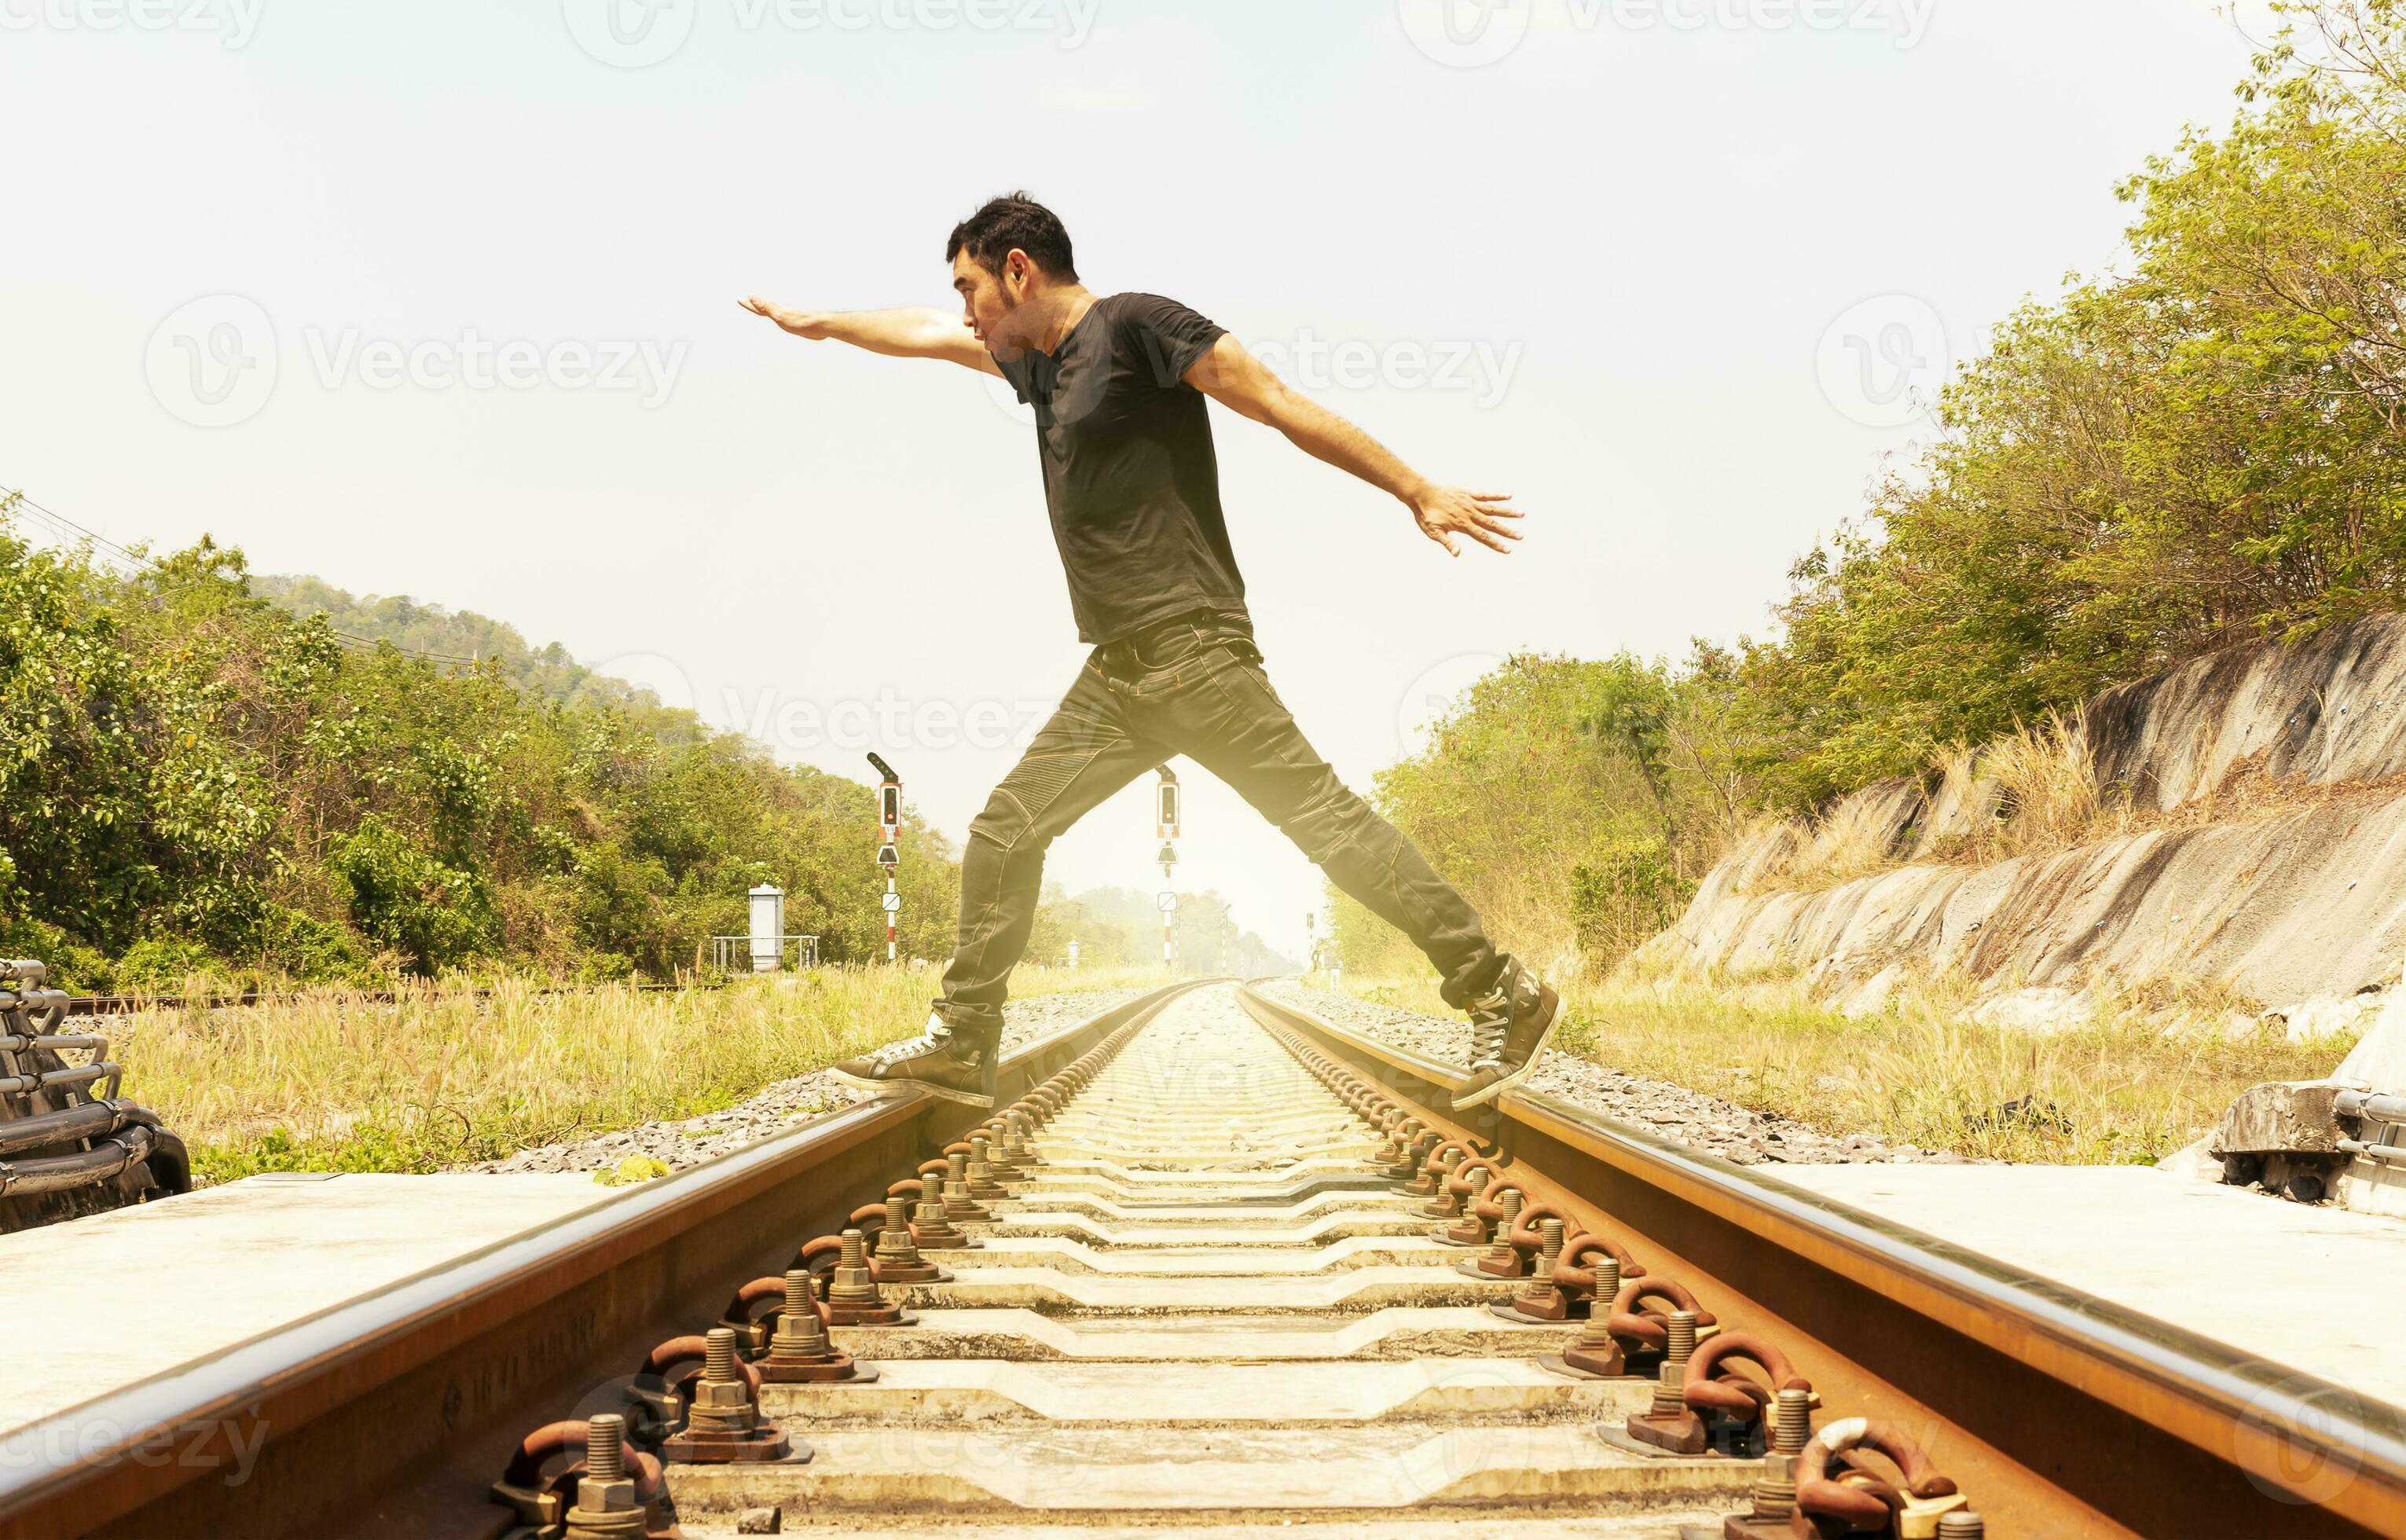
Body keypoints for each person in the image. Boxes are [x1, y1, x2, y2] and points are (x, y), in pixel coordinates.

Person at [741, 192, 1557, 1113]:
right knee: (1004, 831)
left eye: (973, 287)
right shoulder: (1038, 368)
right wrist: (818, 325)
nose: (967, 312)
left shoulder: (1137, 327)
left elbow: (1279, 404)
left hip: (1195, 651)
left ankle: (1498, 988)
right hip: (1118, 673)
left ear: (1019, 269)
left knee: (1325, 826)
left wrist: (1414, 486)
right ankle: (964, 1039)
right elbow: (926, 333)